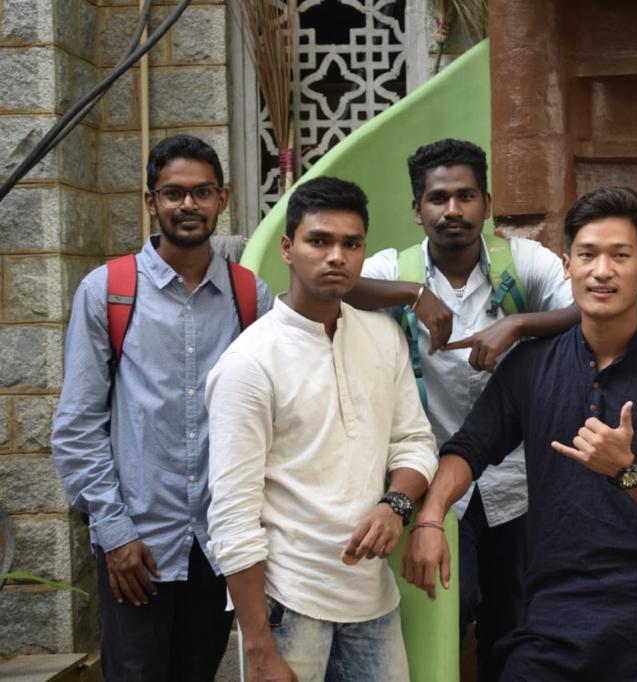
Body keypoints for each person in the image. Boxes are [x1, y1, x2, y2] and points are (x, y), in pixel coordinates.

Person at [401, 186, 637, 681]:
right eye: (588, 255)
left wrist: (628, 471)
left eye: (620, 256)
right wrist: (430, 517)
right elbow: (469, 449)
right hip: (555, 613)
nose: (602, 270)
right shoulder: (531, 365)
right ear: (567, 265)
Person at [345, 138, 577, 680]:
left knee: (516, 620)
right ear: (417, 209)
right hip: (433, 481)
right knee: (451, 604)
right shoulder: (396, 266)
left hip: (516, 481)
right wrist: (411, 294)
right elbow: (338, 284)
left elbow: (585, 308)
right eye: (439, 198)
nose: (453, 210)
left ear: (487, 203)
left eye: (466, 196)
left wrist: (517, 323)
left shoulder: (521, 262)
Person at [51, 134, 272, 681]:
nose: (188, 205)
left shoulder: (251, 296)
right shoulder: (109, 290)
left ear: (222, 199)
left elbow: (269, 420)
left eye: (202, 192)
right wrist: (115, 532)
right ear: (151, 201)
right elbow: (78, 426)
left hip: (218, 544)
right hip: (138, 546)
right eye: (174, 193)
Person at [204, 177, 438, 682]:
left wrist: (395, 504)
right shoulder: (249, 363)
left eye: (351, 244)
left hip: (374, 601)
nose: (337, 256)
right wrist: (259, 649)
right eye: (319, 241)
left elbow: (415, 443)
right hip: (288, 604)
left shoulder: (383, 337)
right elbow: (232, 517)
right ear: (288, 249)